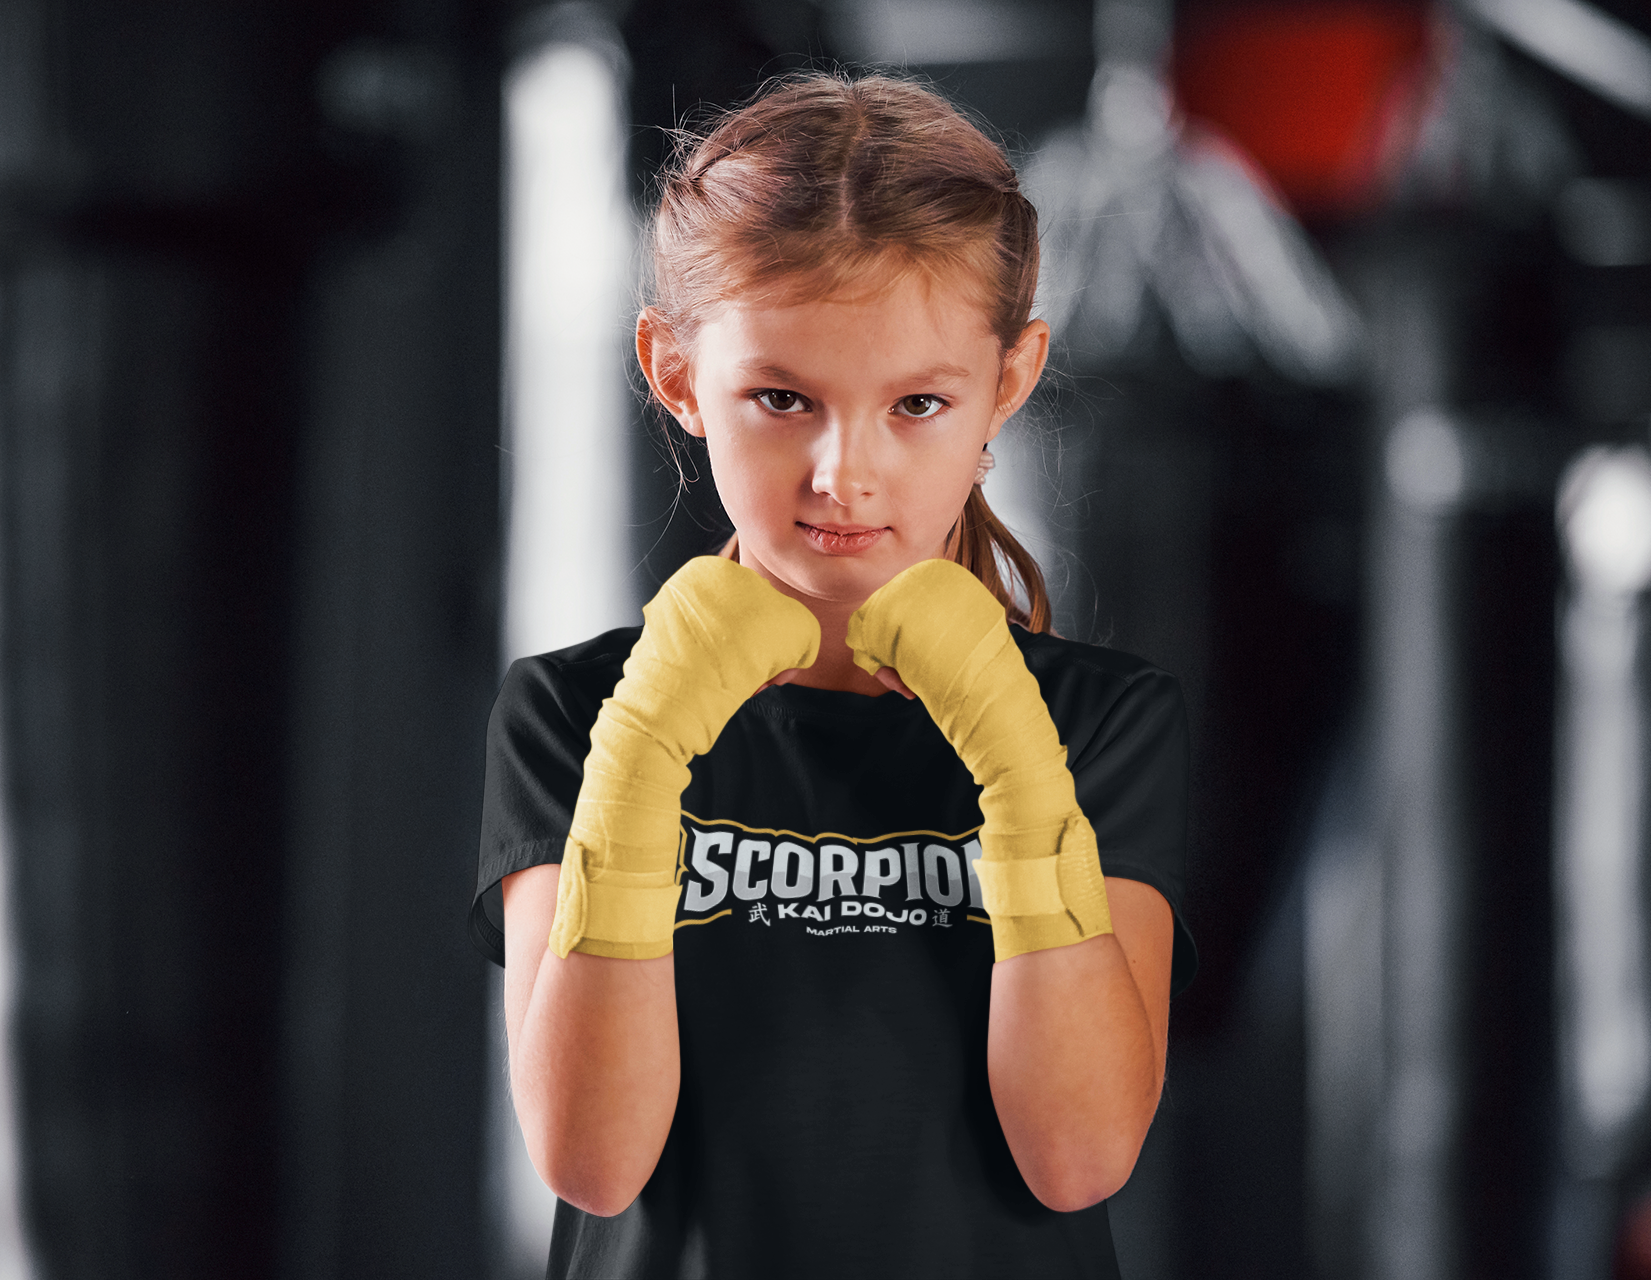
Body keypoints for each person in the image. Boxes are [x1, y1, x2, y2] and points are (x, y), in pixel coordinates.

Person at [471, 72, 1195, 1279]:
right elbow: (594, 1160)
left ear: (1007, 383)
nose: (842, 472)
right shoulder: (574, 713)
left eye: (918, 402)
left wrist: (1012, 746)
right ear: (676, 372)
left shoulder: (1101, 721)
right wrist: (648, 743)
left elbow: (1076, 1154)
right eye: (781, 398)